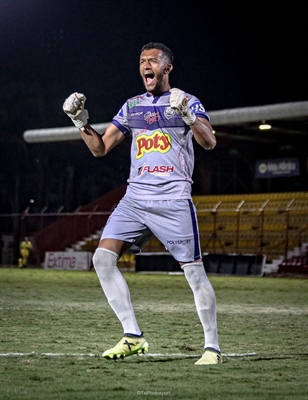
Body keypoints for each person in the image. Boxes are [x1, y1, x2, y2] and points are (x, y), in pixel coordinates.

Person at [63, 42, 222, 365]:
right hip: (135, 199)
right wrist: (80, 122)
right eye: (141, 61)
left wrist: (189, 116)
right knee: (102, 259)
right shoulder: (132, 106)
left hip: (172, 199)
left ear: (167, 68)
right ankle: (132, 335)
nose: (145, 65)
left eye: (152, 60)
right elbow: (100, 149)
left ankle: (212, 348)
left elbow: (209, 141)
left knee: (193, 273)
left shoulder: (186, 101)